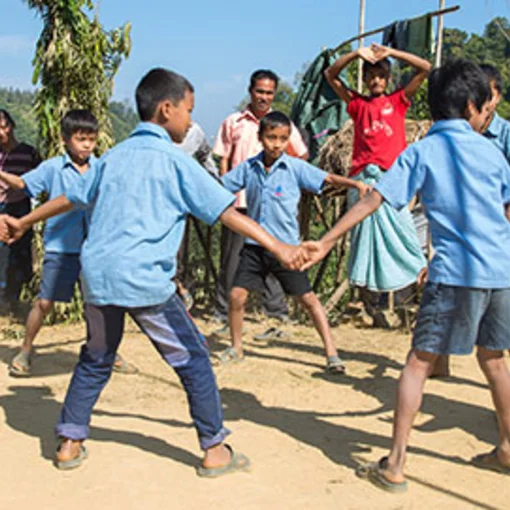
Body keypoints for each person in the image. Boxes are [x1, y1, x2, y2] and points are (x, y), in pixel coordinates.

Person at [1, 68, 307, 474]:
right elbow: (227, 213)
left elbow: (69, 197)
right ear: (167, 109)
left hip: (99, 278)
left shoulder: (110, 158)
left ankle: (70, 442)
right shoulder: (175, 162)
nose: (191, 122)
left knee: (96, 358)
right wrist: (279, 246)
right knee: (194, 358)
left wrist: (24, 223)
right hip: (144, 280)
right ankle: (215, 450)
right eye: (188, 111)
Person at [301, 60, 510, 492]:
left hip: (454, 273)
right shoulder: (491, 151)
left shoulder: (422, 151)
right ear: (472, 106)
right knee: (495, 360)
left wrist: (325, 241)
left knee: (417, 364)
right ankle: (507, 447)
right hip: (500, 271)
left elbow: (376, 198)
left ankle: (395, 462)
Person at [218, 111, 370, 373]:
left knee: (309, 300)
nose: (276, 144)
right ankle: (236, 347)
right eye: (271, 137)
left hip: (288, 250)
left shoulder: (294, 167)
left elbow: (327, 179)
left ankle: (332, 354)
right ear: (261, 137)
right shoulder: (248, 168)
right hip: (255, 248)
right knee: (236, 295)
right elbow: (221, 186)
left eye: (283, 138)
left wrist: (355, 184)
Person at [1, 110, 134, 377]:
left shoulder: (101, 168)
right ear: (65, 139)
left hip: (95, 250)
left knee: (96, 304)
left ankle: (107, 353)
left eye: (91, 139)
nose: (86, 145)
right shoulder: (52, 168)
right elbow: (24, 184)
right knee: (45, 302)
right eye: (81, 138)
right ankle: (26, 350)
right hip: (61, 248)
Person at [324, 44, 429, 303]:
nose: (376, 81)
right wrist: (356, 55)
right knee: (363, 241)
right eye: (371, 76)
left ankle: (407, 291)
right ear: (364, 80)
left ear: (389, 78)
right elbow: (331, 75)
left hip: (392, 180)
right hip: (362, 181)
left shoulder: (398, 101)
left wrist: (392, 54)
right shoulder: (357, 104)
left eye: (381, 76)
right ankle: (368, 300)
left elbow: (425, 68)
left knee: (403, 234)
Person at [213, 69, 309, 333]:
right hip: (239, 203)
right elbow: (223, 157)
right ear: (250, 91)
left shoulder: (282, 124)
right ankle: (224, 312)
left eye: (269, 93)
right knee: (233, 258)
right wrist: (225, 197)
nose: (264, 97)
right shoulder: (234, 122)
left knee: (277, 253)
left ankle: (275, 313)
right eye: (260, 91)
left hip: (273, 206)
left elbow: (300, 155)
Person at [173, 121, 217, 310]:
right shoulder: (156, 132)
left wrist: (213, 181)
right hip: (156, 204)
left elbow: (205, 156)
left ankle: (179, 290)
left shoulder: (195, 132)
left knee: (179, 250)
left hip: (181, 203)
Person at [0, 109, 40, 312]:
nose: (1, 132)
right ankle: (5, 298)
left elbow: (37, 181)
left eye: (3, 126)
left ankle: (16, 295)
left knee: (21, 251)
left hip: (21, 207)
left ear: (12, 126)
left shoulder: (28, 153)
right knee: (2, 253)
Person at [480, 64, 510, 162]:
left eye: (489, 97)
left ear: (498, 97)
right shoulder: (461, 132)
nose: (483, 103)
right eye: (478, 96)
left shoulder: (506, 134)